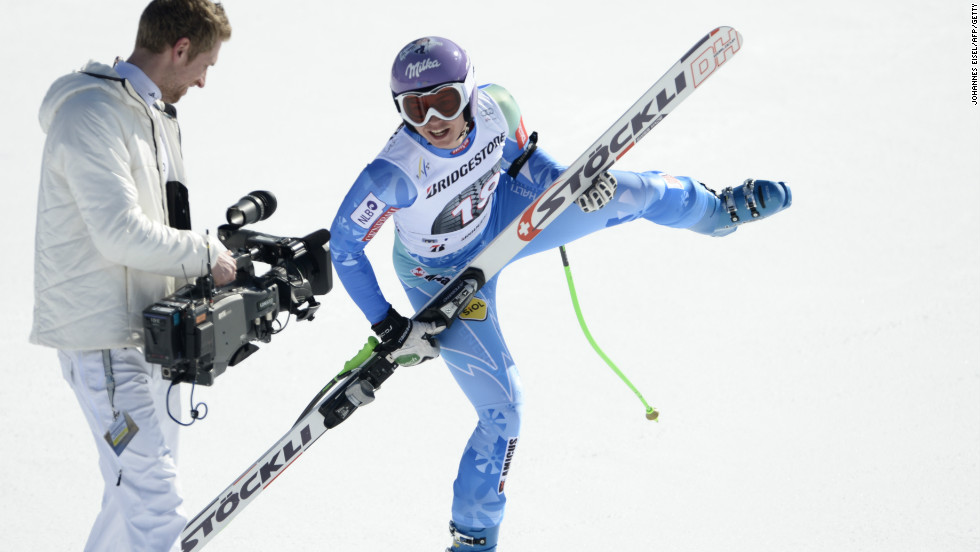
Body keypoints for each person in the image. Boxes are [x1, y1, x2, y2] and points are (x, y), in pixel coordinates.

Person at [329, 37, 792, 551]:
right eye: (414, 107)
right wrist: (389, 324)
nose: (432, 118)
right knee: (503, 410)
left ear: (470, 90)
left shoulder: (496, 106)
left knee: (629, 191)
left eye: (445, 101)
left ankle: (716, 212)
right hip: (437, 273)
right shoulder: (392, 173)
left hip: (505, 217)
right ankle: (472, 543)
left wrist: (567, 184)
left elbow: (522, 161)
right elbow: (345, 246)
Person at [31, 1, 234, 550]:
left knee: (131, 498)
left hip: (144, 337)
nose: (203, 82)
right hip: (103, 342)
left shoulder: (149, 113)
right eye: (205, 65)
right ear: (181, 48)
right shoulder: (91, 114)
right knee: (153, 498)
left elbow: (155, 223)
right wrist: (203, 254)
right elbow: (119, 232)